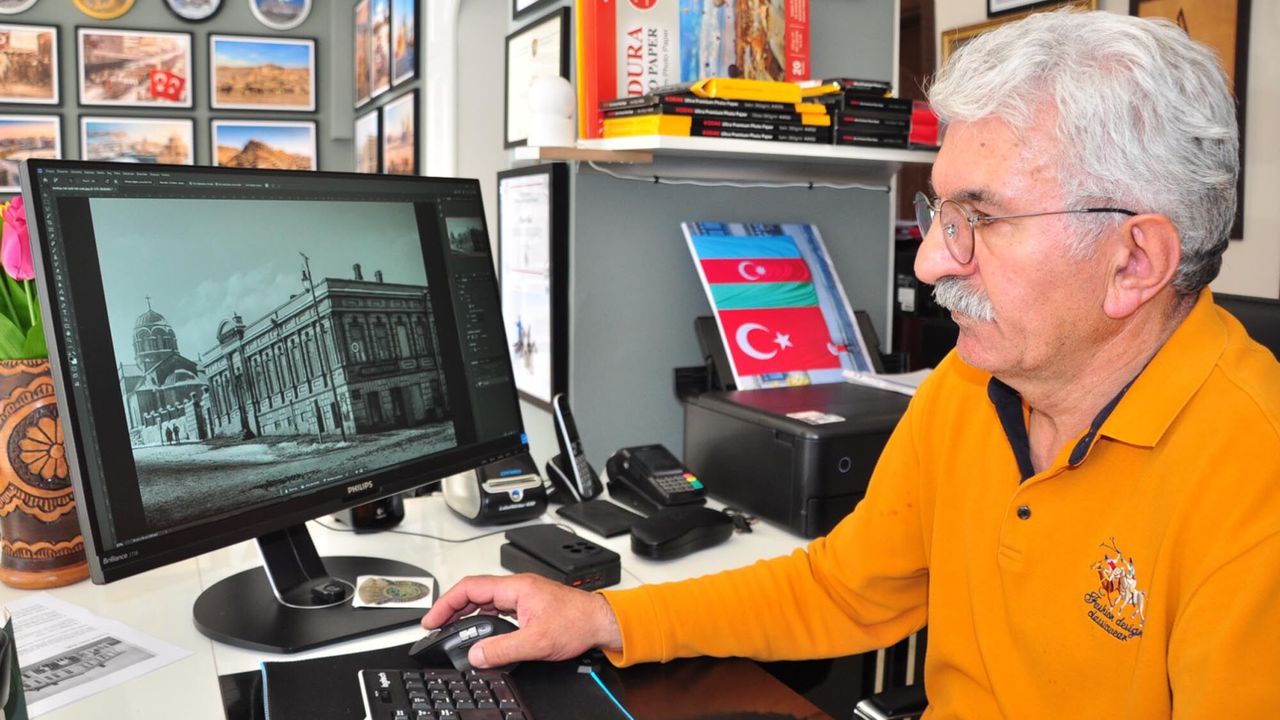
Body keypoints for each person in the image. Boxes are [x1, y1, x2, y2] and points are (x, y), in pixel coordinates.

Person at [423, 10, 1280, 716]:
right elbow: (843, 591)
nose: (930, 263)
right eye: (939, 213)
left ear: (1134, 261)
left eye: (980, 218)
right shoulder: (971, 386)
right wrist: (603, 616)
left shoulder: (1254, 477)